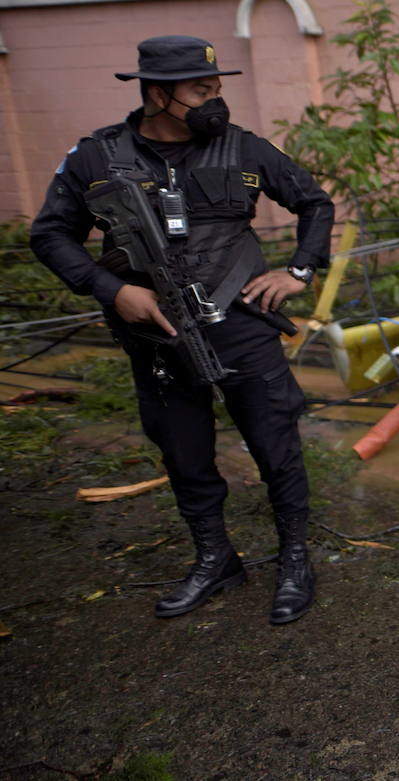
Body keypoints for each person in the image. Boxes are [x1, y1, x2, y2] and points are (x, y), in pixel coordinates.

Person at [30, 36, 334, 624]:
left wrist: (297, 270)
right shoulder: (96, 157)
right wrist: (113, 291)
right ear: (158, 93)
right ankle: (215, 557)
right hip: (156, 334)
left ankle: (294, 558)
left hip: (241, 322)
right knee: (184, 452)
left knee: (276, 444)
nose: (215, 100)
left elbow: (314, 203)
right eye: (202, 90)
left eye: (218, 88)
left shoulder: (243, 147)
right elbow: (49, 235)